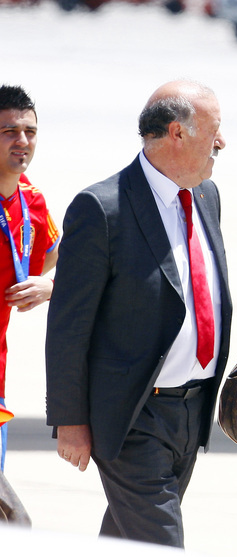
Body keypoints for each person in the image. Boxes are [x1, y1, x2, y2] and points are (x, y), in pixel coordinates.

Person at [45, 80, 232, 548]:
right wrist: (69, 419)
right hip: (133, 414)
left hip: (191, 410)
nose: (222, 142)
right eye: (215, 130)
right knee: (160, 544)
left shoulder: (207, 196)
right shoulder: (101, 209)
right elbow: (69, 325)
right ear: (177, 133)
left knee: (127, 541)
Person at [0, 85, 60, 471]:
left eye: (30, 131)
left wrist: (49, 286)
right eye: (8, 132)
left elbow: (62, 258)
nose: (22, 141)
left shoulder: (30, 200)